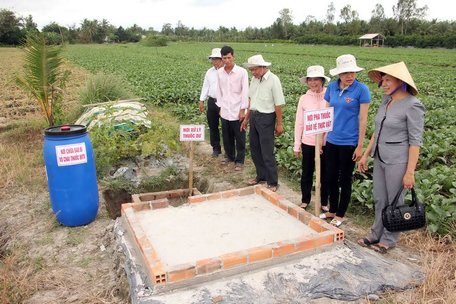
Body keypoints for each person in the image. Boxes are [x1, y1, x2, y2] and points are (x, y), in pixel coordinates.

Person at [357, 62, 425, 253]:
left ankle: (389, 239)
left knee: (394, 202)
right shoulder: (386, 101)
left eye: (388, 80)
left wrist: (410, 172)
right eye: (383, 80)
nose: (384, 84)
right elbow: (377, 131)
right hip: (380, 157)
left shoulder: (413, 105)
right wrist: (366, 154)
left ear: (400, 81)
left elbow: (415, 142)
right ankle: (375, 233)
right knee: (379, 198)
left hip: (398, 160)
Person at [320, 54, 371, 227]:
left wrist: (360, 146)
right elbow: (325, 115)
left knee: (345, 179)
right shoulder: (332, 88)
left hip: (349, 142)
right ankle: (332, 209)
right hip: (332, 140)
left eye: (352, 72)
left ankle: (340, 214)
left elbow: (363, 119)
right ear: (338, 74)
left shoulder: (361, 90)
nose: (349, 76)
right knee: (331, 177)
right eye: (345, 73)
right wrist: (322, 138)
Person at [241, 55, 285, 192]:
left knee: (267, 151)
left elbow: (278, 104)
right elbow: (251, 101)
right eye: (251, 70)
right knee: (255, 149)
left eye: (254, 69)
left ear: (263, 67)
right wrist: (247, 119)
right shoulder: (254, 80)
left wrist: (279, 124)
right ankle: (261, 176)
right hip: (254, 116)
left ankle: (273, 182)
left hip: (267, 117)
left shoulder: (274, 80)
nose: (253, 72)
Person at [293, 65, 330, 210]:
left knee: (325, 174)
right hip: (308, 142)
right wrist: (297, 145)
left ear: (322, 80)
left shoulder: (329, 95)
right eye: (310, 80)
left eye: (316, 79)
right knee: (307, 172)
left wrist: (322, 141)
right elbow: (299, 122)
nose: (313, 82)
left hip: (326, 143)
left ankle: (324, 202)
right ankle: (305, 199)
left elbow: (331, 120)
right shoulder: (304, 98)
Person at [216, 46, 249, 171]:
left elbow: (245, 91)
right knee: (226, 135)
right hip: (225, 109)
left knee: (239, 136)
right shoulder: (219, 73)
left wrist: (243, 110)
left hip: (237, 109)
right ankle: (229, 156)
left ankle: (240, 160)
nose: (227, 60)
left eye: (229, 57)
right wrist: (220, 106)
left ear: (233, 57)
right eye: (224, 58)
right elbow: (219, 91)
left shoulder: (242, 72)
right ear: (222, 58)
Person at [199, 48, 224, 157]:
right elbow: (206, 86)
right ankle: (216, 148)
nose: (213, 61)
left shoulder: (226, 71)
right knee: (213, 125)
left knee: (226, 126)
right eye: (212, 59)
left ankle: (229, 150)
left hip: (225, 102)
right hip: (212, 101)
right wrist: (201, 100)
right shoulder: (210, 72)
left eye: (215, 59)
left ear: (221, 59)